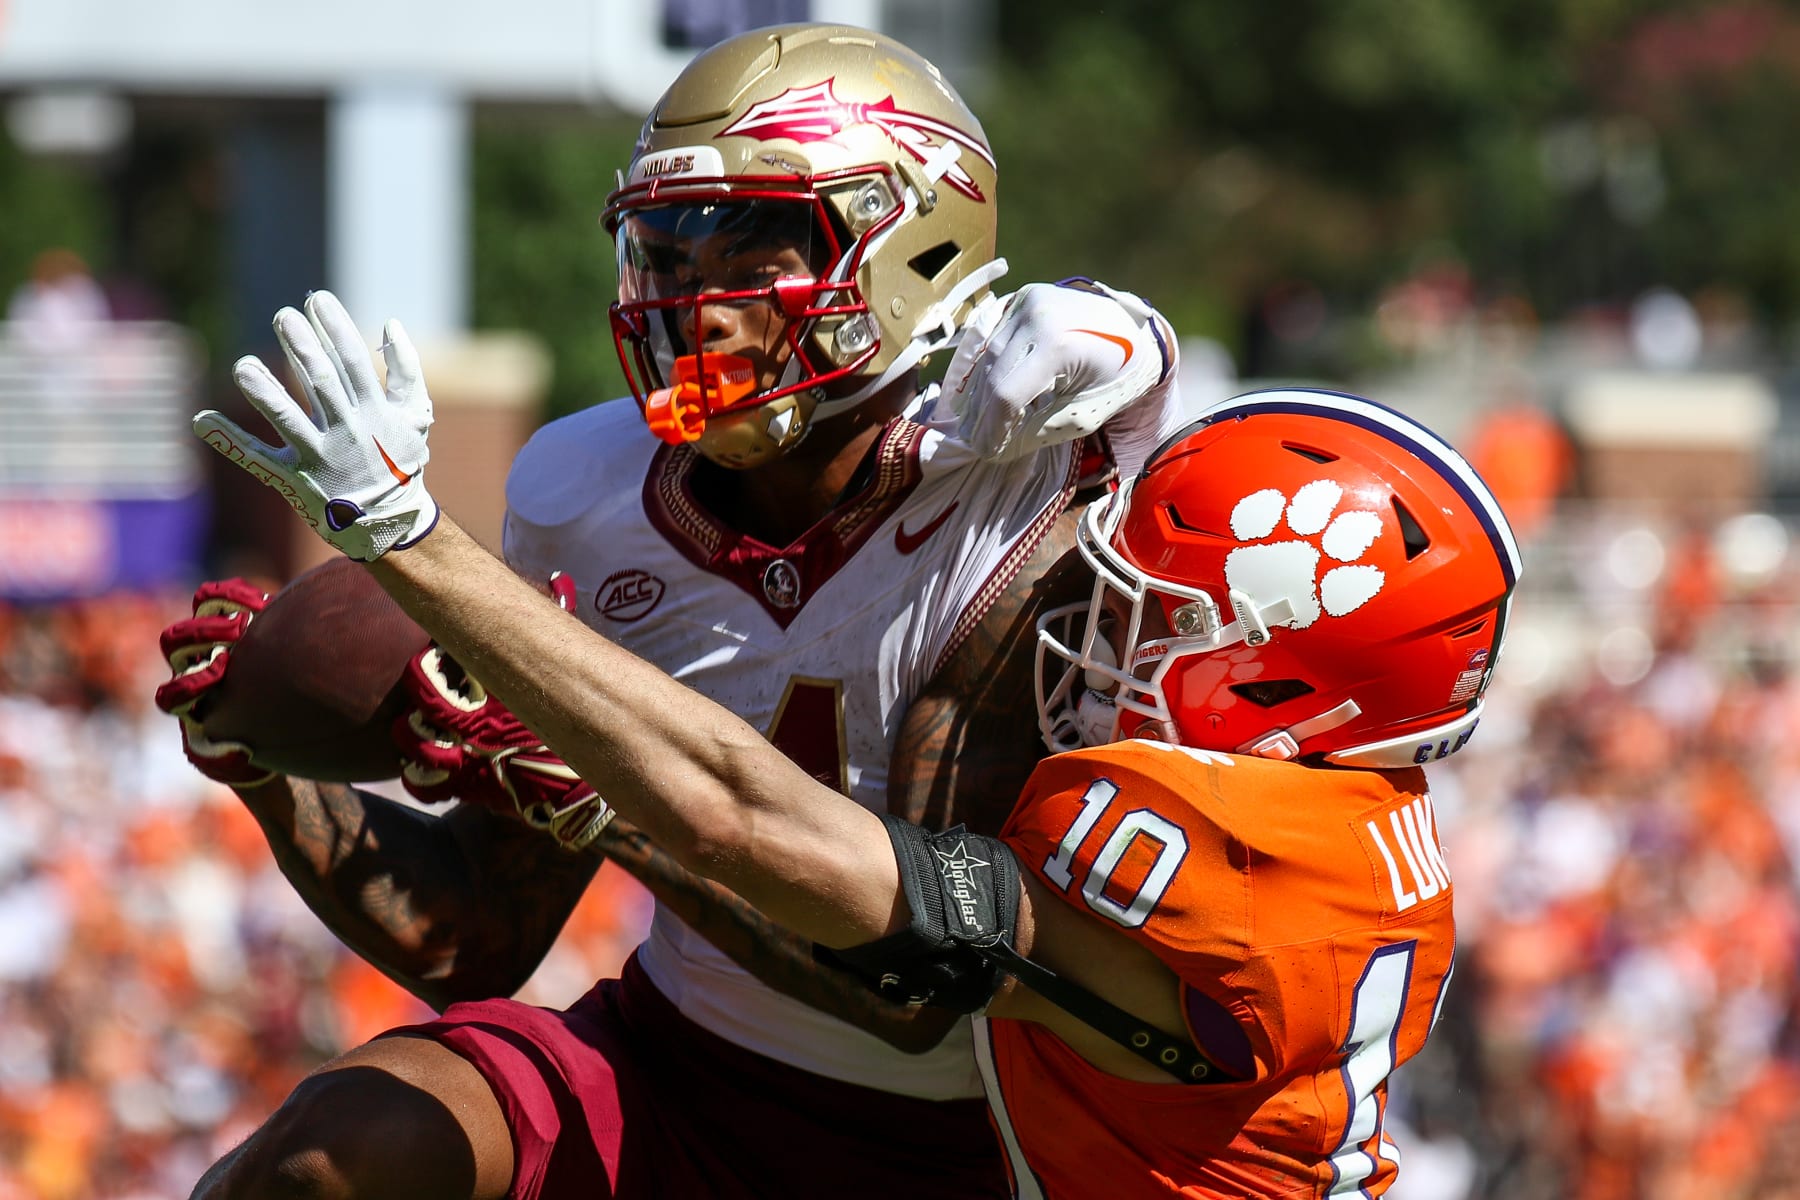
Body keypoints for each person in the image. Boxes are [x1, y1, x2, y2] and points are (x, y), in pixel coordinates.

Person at [196, 285, 1521, 1196]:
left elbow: (835, 895)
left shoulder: (1226, 878)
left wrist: (426, 556)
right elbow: (475, 936)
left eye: (1152, 621)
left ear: (1298, 686)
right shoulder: (1318, 806)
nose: (1093, 631)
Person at [163, 22, 1183, 1199]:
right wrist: (266, 765)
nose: (703, 307)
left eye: (757, 253)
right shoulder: (584, 496)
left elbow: (913, 985)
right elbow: (470, 939)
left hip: (978, 1137)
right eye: (672, 255)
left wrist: (610, 811)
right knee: (328, 1158)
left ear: (918, 237)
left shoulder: (1019, 500)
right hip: (678, 1065)